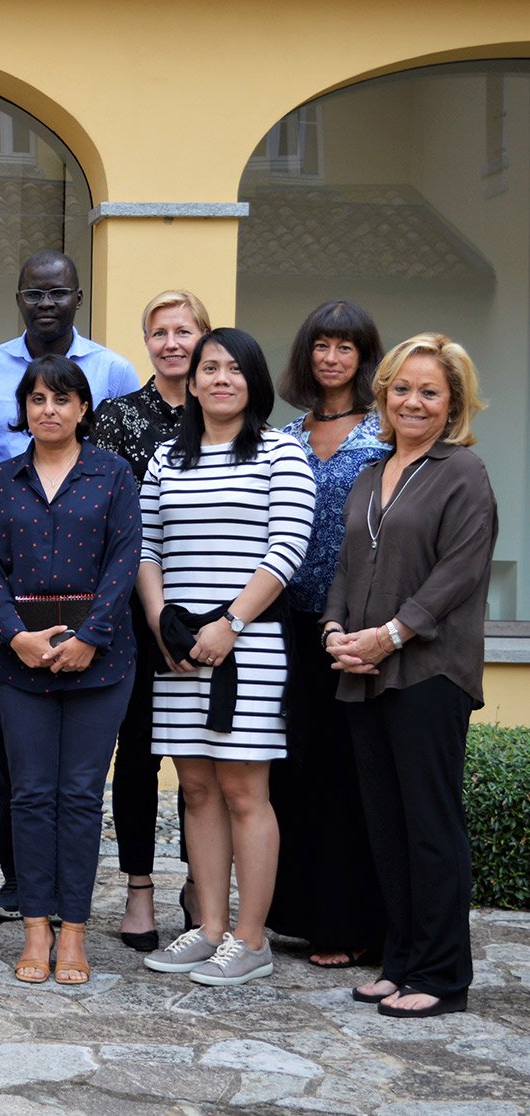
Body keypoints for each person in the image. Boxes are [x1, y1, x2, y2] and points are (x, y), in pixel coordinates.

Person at [0, 249, 140, 920]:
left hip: (96, 623)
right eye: (35, 398)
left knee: (77, 788)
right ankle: (24, 894)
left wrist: (93, 633)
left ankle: (71, 921)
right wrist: (12, 633)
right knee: (24, 779)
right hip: (18, 619)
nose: (47, 408)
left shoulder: (114, 406)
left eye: (56, 293)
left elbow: (126, 550)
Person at [325, 333, 495, 1019]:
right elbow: (344, 566)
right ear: (383, 395)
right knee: (385, 825)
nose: (412, 401)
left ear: (452, 400)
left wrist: (390, 634)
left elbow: (458, 573)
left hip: (428, 670)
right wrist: (334, 632)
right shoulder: (371, 471)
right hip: (362, 671)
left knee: (429, 825)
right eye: (401, 388)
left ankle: (443, 975)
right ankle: (400, 961)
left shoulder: (463, 473)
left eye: (429, 391)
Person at [137, 327, 313, 987]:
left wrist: (231, 623)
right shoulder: (165, 457)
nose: (218, 379)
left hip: (251, 647)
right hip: (180, 650)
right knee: (196, 788)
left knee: (243, 790)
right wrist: (161, 624)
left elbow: (286, 548)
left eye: (233, 369)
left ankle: (249, 937)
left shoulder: (279, 453)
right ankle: (208, 928)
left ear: (253, 382)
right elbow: (147, 548)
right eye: (209, 368)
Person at [265, 301, 389, 970]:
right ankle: (301, 917)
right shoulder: (284, 434)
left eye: (345, 346)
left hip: (358, 627)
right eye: (320, 345)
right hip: (288, 623)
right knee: (295, 770)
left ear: (363, 357)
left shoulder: (383, 433)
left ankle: (349, 923)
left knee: (349, 776)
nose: (331, 357)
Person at [91, 289, 210, 951]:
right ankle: (138, 890)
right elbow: (110, 521)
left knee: (202, 759)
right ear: (147, 342)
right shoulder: (115, 417)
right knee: (136, 757)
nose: (171, 342)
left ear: (203, 339)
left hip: (207, 614)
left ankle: (198, 885)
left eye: (183, 331)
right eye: (159, 331)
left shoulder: (223, 411)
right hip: (134, 616)